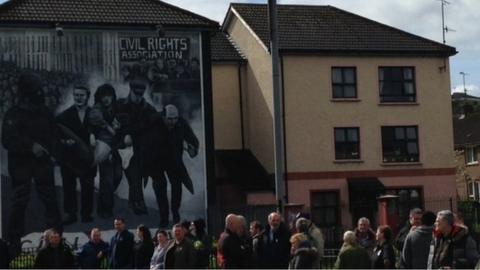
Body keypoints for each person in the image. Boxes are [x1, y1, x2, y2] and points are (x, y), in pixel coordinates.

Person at [1, 72, 62, 256]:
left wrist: (56, 150)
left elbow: (54, 134)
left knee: (50, 199)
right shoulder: (14, 114)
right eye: (37, 90)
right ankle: (13, 241)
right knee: (20, 200)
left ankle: (56, 239)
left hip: (42, 163)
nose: (41, 92)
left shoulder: (45, 112)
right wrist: (30, 146)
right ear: (27, 92)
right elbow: (7, 140)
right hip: (21, 164)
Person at [149, 104, 199, 225]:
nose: (173, 122)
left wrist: (193, 148)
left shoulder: (181, 123)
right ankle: (164, 217)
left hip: (174, 160)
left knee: (177, 186)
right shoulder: (154, 122)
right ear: (163, 117)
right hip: (156, 161)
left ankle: (175, 211)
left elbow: (193, 139)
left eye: (175, 119)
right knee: (159, 187)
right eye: (170, 119)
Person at [56, 85, 96, 225]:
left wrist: (94, 137)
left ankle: (86, 214)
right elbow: (55, 135)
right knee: (69, 186)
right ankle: (70, 214)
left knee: (87, 187)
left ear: (87, 96)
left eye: (82, 95)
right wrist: (64, 141)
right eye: (76, 95)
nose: (79, 98)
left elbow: (102, 133)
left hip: (88, 158)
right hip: (69, 158)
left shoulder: (94, 114)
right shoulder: (64, 115)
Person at [116, 80, 157, 215]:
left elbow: (154, 123)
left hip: (140, 149)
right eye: (136, 93)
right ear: (130, 90)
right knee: (132, 177)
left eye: (141, 94)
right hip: (122, 149)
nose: (139, 96)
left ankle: (136, 202)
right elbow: (120, 122)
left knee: (136, 176)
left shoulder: (147, 108)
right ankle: (135, 202)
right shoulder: (120, 105)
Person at [89, 83, 123, 218]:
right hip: (103, 148)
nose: (106, 99)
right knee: (107, 179)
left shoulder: (116, 108)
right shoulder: (97, 109)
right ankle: (106, 210)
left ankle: (103, 199)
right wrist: (109, 127)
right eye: (104, 96)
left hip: (116, 148)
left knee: (118, 176)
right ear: (100, 97)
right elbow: (94, 121)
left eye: (109, 96)